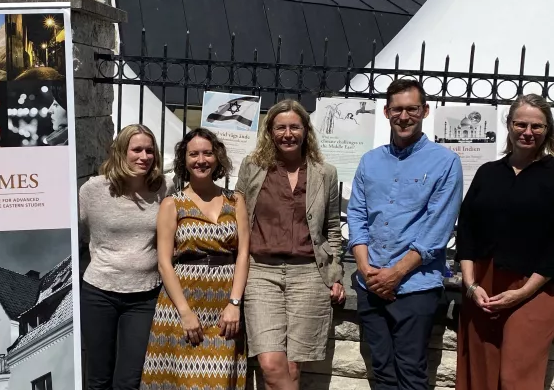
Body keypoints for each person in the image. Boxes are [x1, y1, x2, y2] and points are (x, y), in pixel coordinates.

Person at [347, 79, 463, 390]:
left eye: (412, 109)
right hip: (369, 283)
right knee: (382, 371)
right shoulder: (370, 161)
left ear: (425, 111)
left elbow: (437, 229)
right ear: (386, 112)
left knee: (411, 372)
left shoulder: (446, 162)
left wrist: (395, 274)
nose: (404, 116)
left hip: (415, 285)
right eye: (397, 109)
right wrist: (364, 267)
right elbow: (357, 215)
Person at [235, 99, 345, 390]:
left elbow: (332, 228)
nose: (288, 133)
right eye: (280, 127)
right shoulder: (254, 167)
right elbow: (238, 218)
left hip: (309, 275)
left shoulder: (325, 173)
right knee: (271, 365)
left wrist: (335, 275)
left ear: (306, 131)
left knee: (293, 369)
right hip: (261, 273)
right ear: (269, 132)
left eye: (295, 127)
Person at [455, 94, 554, 390]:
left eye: (537, 126)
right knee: (481, 374)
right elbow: (467, 230)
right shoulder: (488, 173)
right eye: (520, 124)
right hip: (483, 284)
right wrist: (471, 286)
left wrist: (523, 292)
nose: (528, 132)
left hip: (537, 286)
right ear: (509, 126)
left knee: (516, 378)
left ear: (547, 130)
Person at [140, 128, 249, 390]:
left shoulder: (235, 200)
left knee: (219, 380)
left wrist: (234, 303)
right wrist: (185, 313)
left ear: (218, 158)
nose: (201, 160)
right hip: (182, 302)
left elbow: (243, 253)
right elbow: (165, 263)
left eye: (207, 153)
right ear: (184, 161)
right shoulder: (172, 204)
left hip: (224, 304)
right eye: (194, 154)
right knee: (181, 381)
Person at [79, 124, 175, 390]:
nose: (144, 156)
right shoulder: (93, 190)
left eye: (149, 150)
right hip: (99, 292)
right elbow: (78, 232)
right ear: (121, 151)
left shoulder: (163, 188)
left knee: (129, 380)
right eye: (136, 150)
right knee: (98, 378)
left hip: (144, 296)